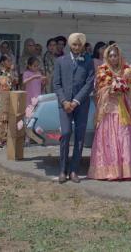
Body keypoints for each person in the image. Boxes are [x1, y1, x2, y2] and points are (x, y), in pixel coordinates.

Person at [88, 44, 131, 181]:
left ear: (119, 56)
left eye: (115, 55)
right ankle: (108, 171)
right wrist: (110, 90)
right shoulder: (102, 70)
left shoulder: (127, 70)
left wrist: (124, 89)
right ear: (107, 57)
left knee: (124, 137)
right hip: (107, 110)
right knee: (108, 139)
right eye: (110, 55)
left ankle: (126, 171)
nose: (113, 58)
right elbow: (99, 90)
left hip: (123, 109)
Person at [53, 32, 95, 183]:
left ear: (82, 46)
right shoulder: (60, 61)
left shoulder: (88, 61)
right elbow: (56, 84)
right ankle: (62, 170)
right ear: (70, 45)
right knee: (65, 134)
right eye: (74, 45)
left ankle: (74, 171)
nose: (77, 47)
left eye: (79, 45)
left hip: (81, 105)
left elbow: (89, 83)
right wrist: (64, 101)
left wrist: (76, 101)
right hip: (64, 105)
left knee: (79, 137)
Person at [0, 53, 18, 147]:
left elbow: (16, 82)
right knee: (0, 118)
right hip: (0, 96)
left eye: (11, 61)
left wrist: (12, 72)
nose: (10, 62)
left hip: (10, 96)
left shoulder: (11, 72)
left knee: (9, 118)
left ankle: (7, 138)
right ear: (3, 62)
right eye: (8, 61)